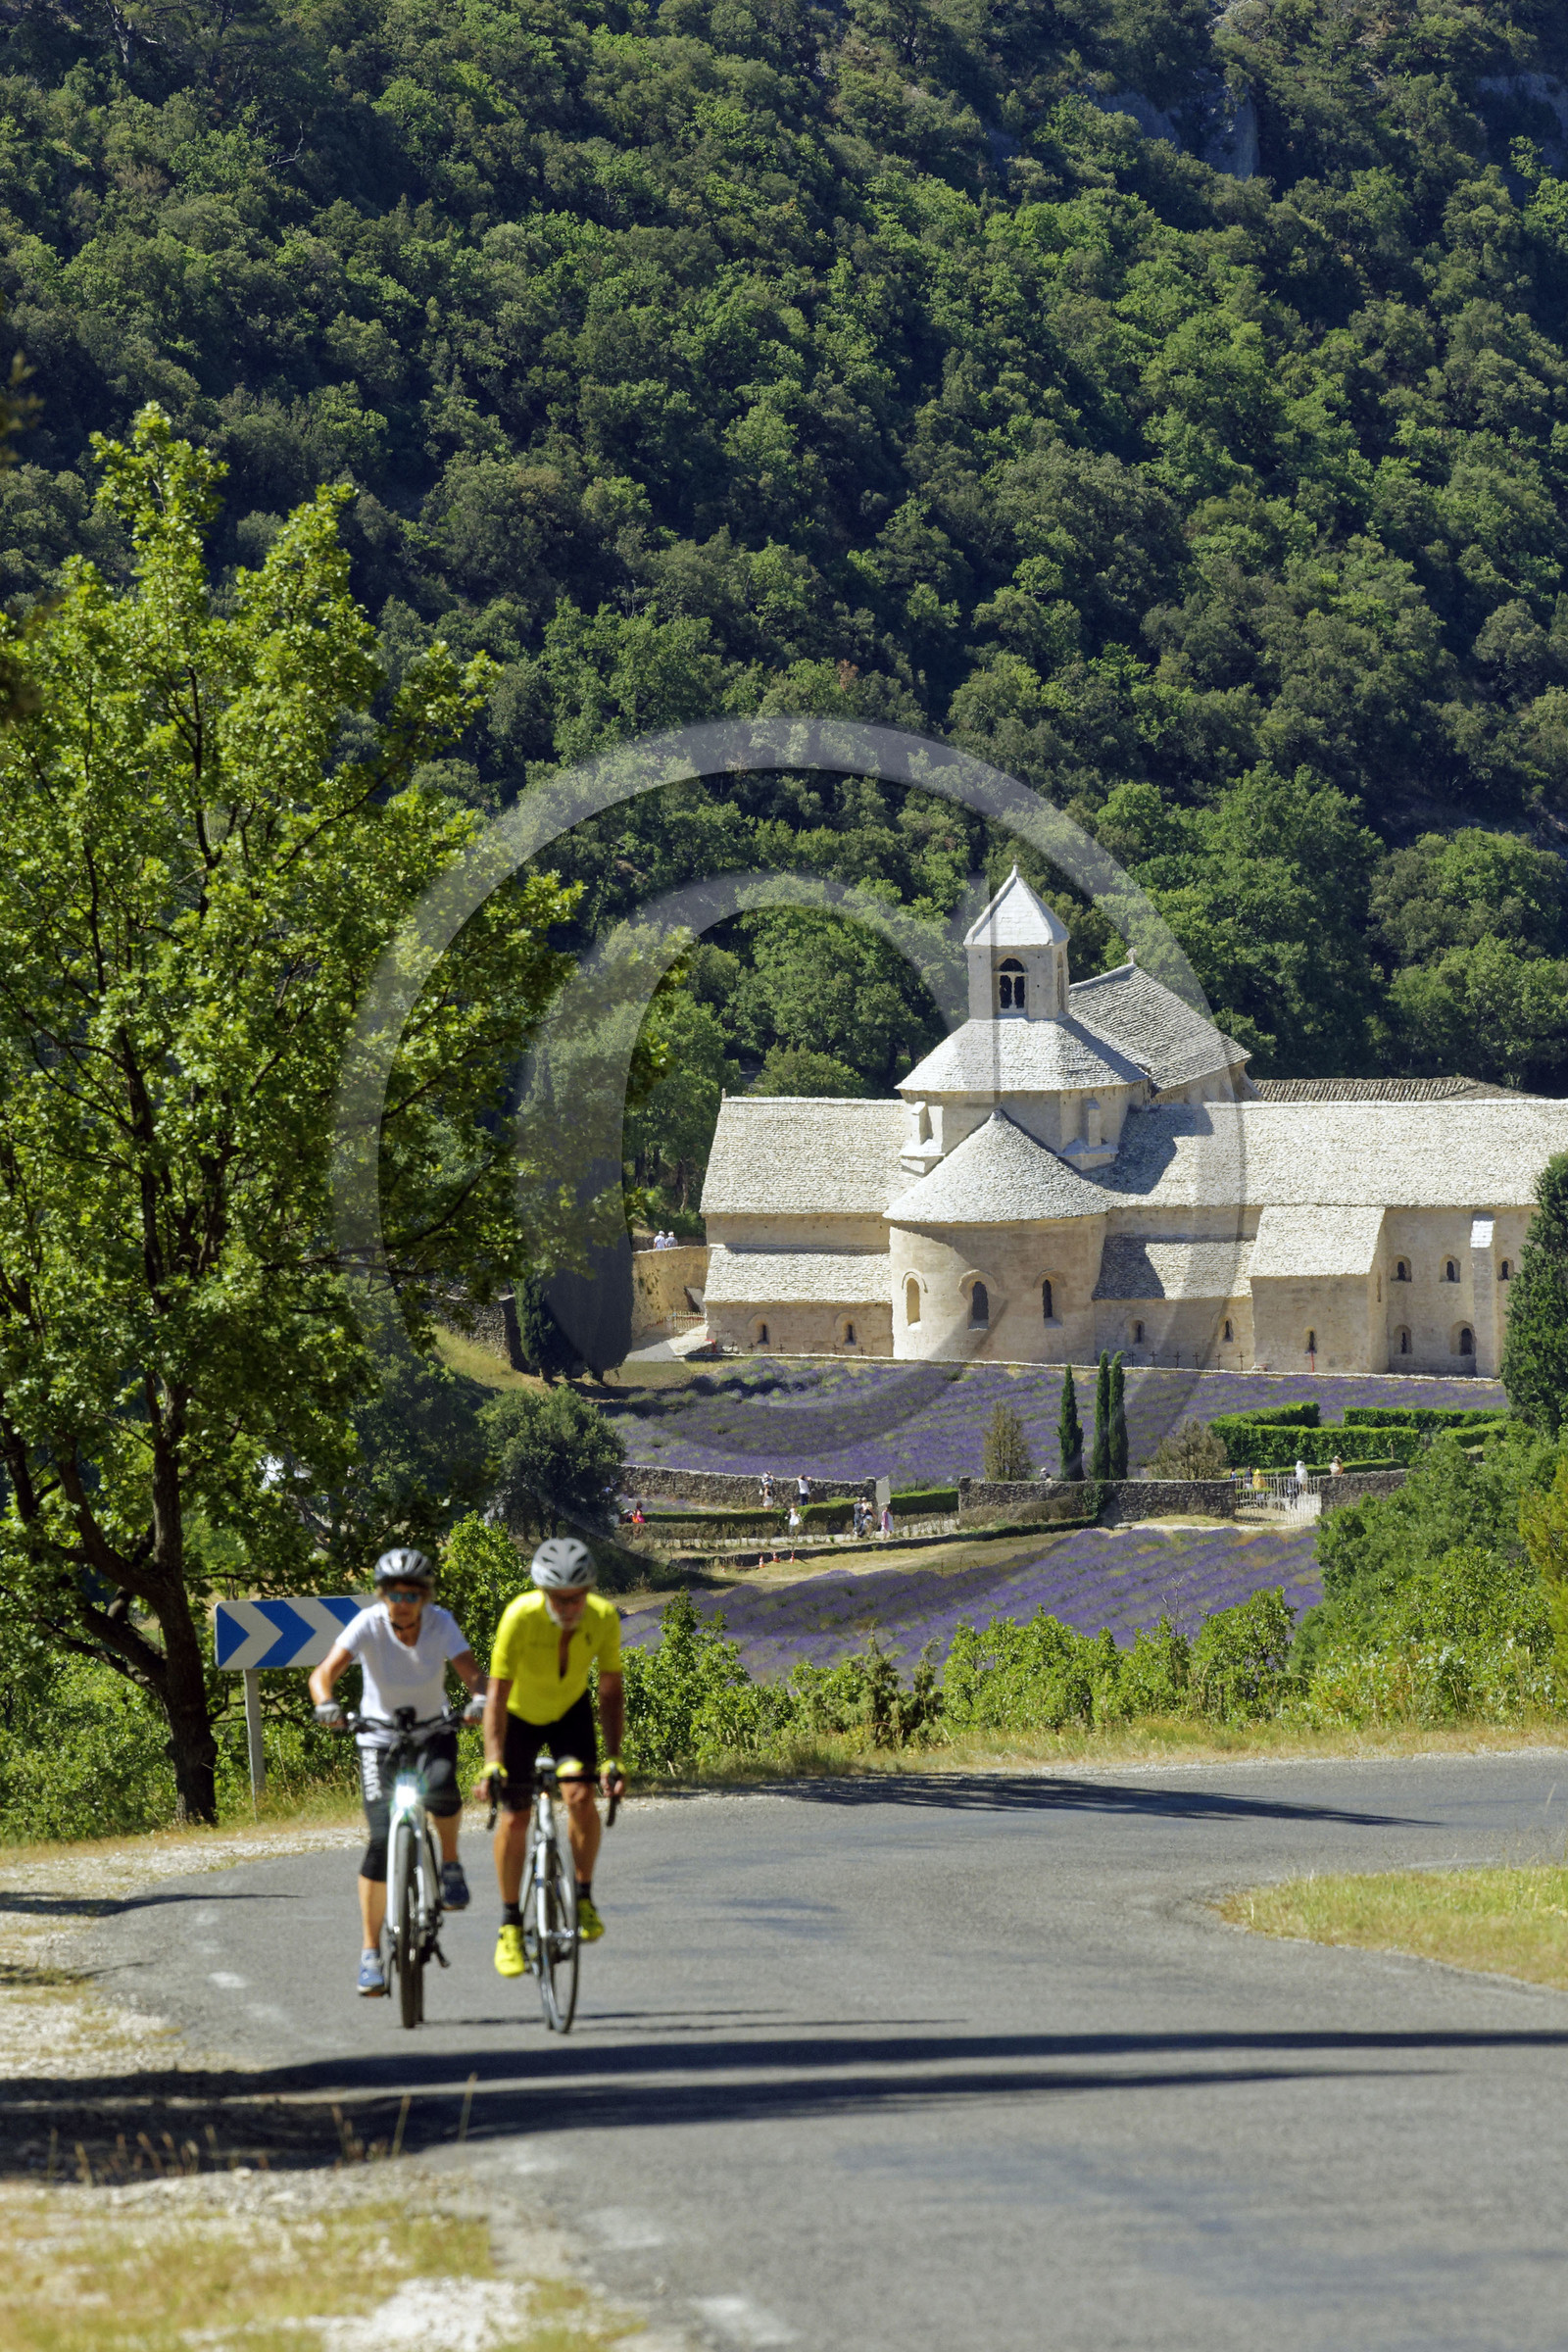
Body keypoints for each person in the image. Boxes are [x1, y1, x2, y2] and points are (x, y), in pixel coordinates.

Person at [310, 1548, 487, 1998]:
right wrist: (325, 1704)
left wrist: (480, 1701)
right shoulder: (368, 1623)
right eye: (394, 1593)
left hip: (433, 1731)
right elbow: (323, 1674)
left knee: (444, 1788)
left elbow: (473, 1676)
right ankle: (371, 1954)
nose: (402, 1601)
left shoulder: (440, 1623)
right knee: (379, 1840)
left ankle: (449, 1864)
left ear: (425, 1596)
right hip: (378, 1741)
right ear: (383, 1595)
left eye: (412, 1593)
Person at [476, 1536, 626, 1973]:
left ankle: (582, 1897)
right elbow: (496, 1697)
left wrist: (614, 1758)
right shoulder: (519, 1617)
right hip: (519, 1718)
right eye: (557, 1599)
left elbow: (610, 1691)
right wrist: (492, 1760)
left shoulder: (602, 1618)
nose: (567, 1607)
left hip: (569, 1715)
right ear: (542, 1592)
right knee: (513, 1816)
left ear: (589, 1592)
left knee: (580, 1797)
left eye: (576, 1598)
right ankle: (509, 1925)